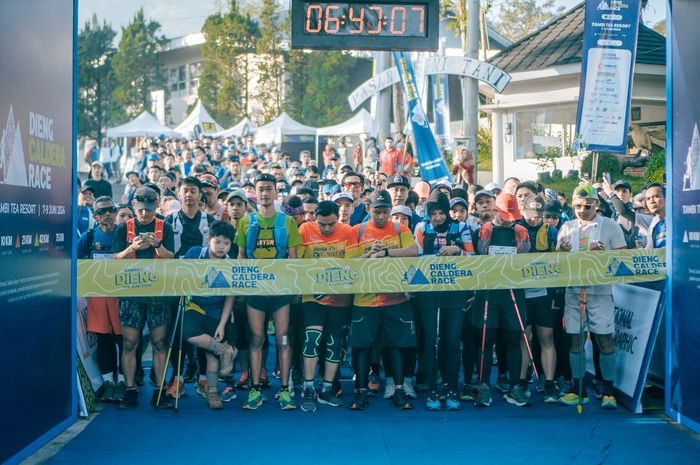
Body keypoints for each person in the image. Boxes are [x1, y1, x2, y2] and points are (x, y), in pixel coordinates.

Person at [557, 185, 626, 409]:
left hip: (600, 291)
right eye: (577, 206)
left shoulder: (611, 225)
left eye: (587, 206)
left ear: (596, 203)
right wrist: (561, 253)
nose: (582, 210)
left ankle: (608, 391)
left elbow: (624, 258)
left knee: (604, 339)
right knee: (575, 339)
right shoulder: (567, 226)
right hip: (573, 290)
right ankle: (578, 390)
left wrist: (605, 254)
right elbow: (556, 262)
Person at [348, 190, 418, 411]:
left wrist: (387, 252)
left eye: (385, 212)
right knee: (362, 347)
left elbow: (413, 251)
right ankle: (360, 392)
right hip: (364, 299)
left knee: (395, 346)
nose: (380, 216)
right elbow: (348, 262)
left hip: (394, 298)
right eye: (376, 211)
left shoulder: (400, 228)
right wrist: (369, 255)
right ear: (368, 209)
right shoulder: (357, 230)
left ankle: (398, 390)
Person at [236, 173, 302, 410]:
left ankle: (285, 390)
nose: (264, 193)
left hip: (281, 291)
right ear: (255, 192)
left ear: (276, 192)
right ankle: (254, 390)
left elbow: (294, 260)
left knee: (283, 339)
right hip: (256, 291)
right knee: (257, 339)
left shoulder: (288, 222)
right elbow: (241, 257)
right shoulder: (245, 222)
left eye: (268, 189)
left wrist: (293, 289)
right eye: (260, 189)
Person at [113, 187, 175, 409]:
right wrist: (132, 248)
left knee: (160, 342)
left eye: (149, 210)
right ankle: (130, 389)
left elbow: (172, 258)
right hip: (131, 293)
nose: (145, 214)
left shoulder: (164, 226)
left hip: (158, 294)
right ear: (133, 206)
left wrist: (158, 246)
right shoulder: (124, 228)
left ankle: (160, 389)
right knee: (130, 342)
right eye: (141, 210)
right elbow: (114, 259)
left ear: (156, 207)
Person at [414, 190, 475, 410]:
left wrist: (458, 251)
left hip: (455, 291)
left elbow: (474, 257)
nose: (438, 217)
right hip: (429, 292)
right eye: (434, 213)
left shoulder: (461, 227)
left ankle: (451, 387)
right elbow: (416, 257)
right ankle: (432, 388)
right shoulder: (421, 228)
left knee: (451, 340)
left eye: (441, 212)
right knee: (430, 340)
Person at [471, 193, 532, 408]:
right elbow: (480, 255)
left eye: (512, 215)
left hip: (513, 291)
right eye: (505, 215)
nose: (509, 219)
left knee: (515, 339)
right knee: (486, 340)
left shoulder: (521, 231)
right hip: (489, 291)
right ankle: (483, 385)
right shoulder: (484, 230)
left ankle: (515, 386)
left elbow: (526, 259)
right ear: (495, 211)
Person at [298, 201, 358, 412]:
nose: (325, 229)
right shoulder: (305, 229)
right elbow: (299, 264)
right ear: (315, 218)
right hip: (312, 296)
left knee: (334, 343)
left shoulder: (348, 231)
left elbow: (350, 267)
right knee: (312, 339)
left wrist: (332, 287)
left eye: (331, 224)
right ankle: (308, 386)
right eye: (321, 224)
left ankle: (327, 388)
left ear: (337, 218)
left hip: (339, 298)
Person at [182, 221, 238, 410]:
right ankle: (225, 350)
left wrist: (222, 325)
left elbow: (230, 297)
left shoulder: (231, 264)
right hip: (195, 307)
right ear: (209, 240)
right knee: (189, 333)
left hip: (217, 312)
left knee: (212, 356)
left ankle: (213, 394)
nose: (222, 246)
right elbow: (179, 274)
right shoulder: (195, 254)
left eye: (227, 243)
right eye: (218, 241)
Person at [77, 196, 125, 403]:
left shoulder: (123, 235)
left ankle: (124, 380)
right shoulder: (88, 238)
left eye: (111, 210)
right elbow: (75, 263)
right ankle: (108, 382)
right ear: (95, 216)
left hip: (122, 296)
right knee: (105, 341)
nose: (107, 215)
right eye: (102, 212)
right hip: (97, 298)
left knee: (124, 341)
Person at [517, 194, 559, 403]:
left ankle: (549, 382)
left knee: (546, 336)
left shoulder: (551, 232)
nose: (534, 219)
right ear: (522, 211)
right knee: (524, 338)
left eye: (539, 216)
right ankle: (522, 381)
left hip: (544, 293)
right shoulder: (515, 229)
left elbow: (560, 262)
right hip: (521, 293)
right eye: (531, 215)